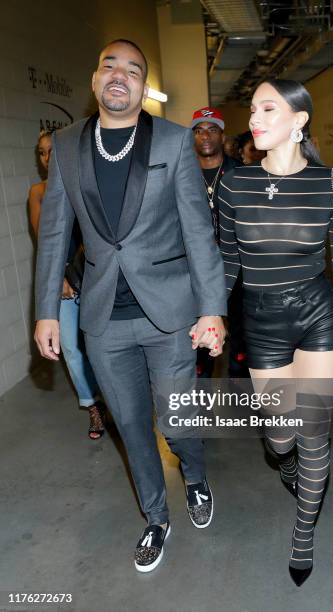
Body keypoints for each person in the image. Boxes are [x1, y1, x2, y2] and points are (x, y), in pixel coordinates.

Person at [34, 39, 227, 572]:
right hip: (102, 319)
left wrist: (213, 309)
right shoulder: (68, 144)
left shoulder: (173, 140)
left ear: (145, 88)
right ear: (95, 81)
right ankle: (156, 518)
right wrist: (46, 310)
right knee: (131, 424)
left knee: (177, 418)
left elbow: (198, 231)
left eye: (133, 70)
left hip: (169, 312)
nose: (120, 75)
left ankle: (195, 475)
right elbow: (54, 234)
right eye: (109, 66)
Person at [219, 78, 333, 586]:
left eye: (268, 108)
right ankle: (285, 464)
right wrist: (209, 316)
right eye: (252, 109)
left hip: (319, 316)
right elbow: (225, 261)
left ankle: (303, 533)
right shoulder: (234, 183)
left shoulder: (330, 183)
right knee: (279, 437)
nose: (255, 118)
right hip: (262, 321)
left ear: (299, 120)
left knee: (312, 433)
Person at [29, 130, 104, 439]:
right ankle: (93, 407)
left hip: (97, 274)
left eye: (52, 150)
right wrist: (58, 277)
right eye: (43, 152)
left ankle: (116, 397)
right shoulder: (38, 191)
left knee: (102, 343)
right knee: (71, 348)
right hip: (64, 280)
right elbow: (43, 239)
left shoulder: (84, 184)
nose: (48, 157)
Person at [191, 106, 248, 378]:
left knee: (241, 333)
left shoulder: (241, 174)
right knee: (201, 335)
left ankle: (242, 394)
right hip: (198, 268)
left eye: (212, 130)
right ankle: (201, 401)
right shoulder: (183, 175)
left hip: (238, 265)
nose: (205, 136)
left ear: (222, 136)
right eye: (199, 130)